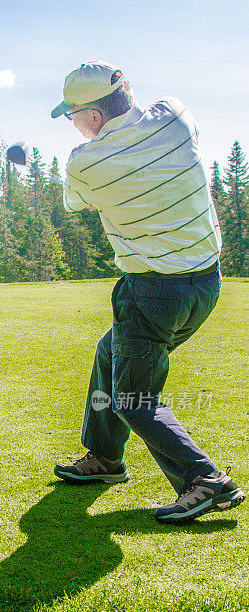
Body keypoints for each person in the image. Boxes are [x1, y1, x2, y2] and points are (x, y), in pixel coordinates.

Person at [50, 60, 245, 522]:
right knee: (109, 352)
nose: (73, 126)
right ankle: (104, 458)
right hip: (206, 282)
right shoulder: (175, 114)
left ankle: (204, 480)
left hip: (153, 292)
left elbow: (79, 203)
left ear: (94, 117)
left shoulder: (84, 162)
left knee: (132, 399)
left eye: (72, 116)